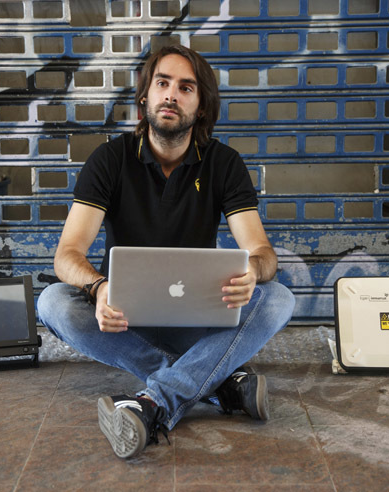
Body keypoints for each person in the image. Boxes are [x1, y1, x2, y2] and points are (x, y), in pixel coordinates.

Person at [37, 45, 296, 459]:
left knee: (279, 297)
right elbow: (67, 253)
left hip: (198, 321)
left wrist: (251, 271)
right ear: (145, 97)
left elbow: (263, 252)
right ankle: (217, 382)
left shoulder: (224, 164)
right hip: (123, 319)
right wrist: (99, 287)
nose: (171, 95)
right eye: (162, 83)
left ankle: (154, 403)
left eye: (186, 87)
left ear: (202, 106)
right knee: (53, 301)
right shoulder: (110, 159)